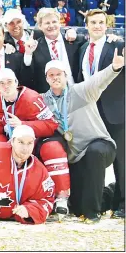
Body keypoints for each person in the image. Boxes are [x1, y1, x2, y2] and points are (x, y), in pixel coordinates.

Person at [0, 68, 70, 217]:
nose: (6, 86)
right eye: (1, 83)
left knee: (52, 149)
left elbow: (51, 124)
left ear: (16, 83)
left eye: (9, 82)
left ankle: (61, 197)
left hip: (30, 139)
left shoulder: (32, 99)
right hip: (7, 139)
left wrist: (23, 124)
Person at [42, 58, 123, 222]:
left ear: (65, 76)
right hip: (76, 156)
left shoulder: (81, 91)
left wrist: (114, 67)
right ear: (46, 78)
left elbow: (98, 80)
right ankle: (110, 193)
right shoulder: (43, 101)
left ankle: (93, 213)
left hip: (100, 146)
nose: (55, 77)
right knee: (77, 206)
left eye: (59, 74)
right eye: (51, 75)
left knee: (95, 152)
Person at [77, 9, 125, 218]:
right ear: (87, 25)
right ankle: (93, 202)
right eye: (93, 22)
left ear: (107, 25)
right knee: (94, 156)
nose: (97, 26)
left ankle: (122, 204)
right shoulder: (82, 48)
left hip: (115, 110)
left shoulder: (118, 45)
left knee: (121, 159)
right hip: (91, 111)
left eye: (101, 22)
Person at [26, 8, 85, 93]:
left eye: (54, 22)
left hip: (75, 93)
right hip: (49, 98)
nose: (51, 26)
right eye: (47, 23)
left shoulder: (76, 40)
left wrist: (111, 38)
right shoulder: (35, 46)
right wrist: (28, 53)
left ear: (59, 23)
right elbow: (29, 73)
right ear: (40, 26)